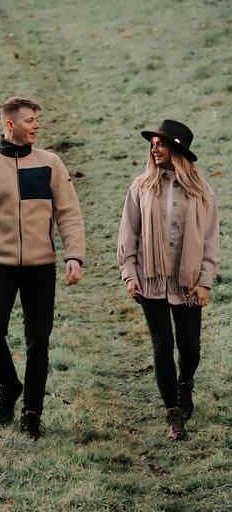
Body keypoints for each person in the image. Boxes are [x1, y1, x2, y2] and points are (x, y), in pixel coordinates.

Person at [0, 96, 86, 440]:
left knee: (37, 342)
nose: (36, 126)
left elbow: (68, 212)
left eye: (36, 120)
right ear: (10, 125)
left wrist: (74, 254)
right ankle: (9, 385)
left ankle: (32, 413)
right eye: (29, 120)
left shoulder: (50, 164)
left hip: (41, 268)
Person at [118, 119, 220, 441]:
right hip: (151, 280)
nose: (154, 148)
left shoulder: (202, 192)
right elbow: (128, 233)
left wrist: (204, 280)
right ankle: (173, 413)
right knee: (163, 345)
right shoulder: (141, 188)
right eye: (153, 144)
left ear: (178, 150)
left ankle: (185, 384)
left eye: (161, 143)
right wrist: (129, 274)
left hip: (187, 282)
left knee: (189, 347)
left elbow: (211, 239)